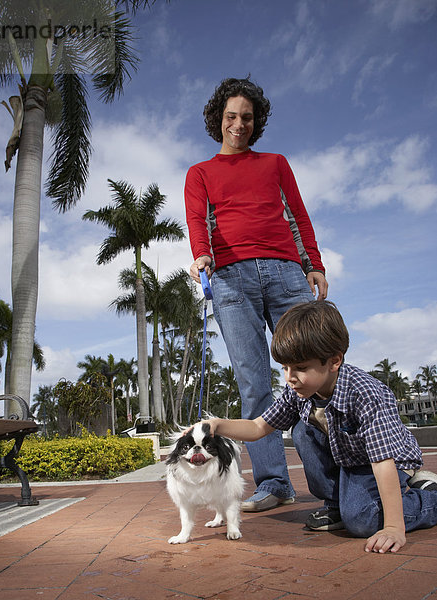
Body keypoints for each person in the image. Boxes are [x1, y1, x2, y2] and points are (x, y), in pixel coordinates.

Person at [184, 77, 328, 512]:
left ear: (256, 121)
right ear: (218, 119)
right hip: (230, 278)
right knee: (253, 380)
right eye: (231, 117)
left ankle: (337, 477)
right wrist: (201, 256)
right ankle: (274, 484)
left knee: (316, 373)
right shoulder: (201, 173)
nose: (239, 125)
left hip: (286, 272)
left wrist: (314, 264)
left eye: (247, 117)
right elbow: (196, 221)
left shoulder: (276, 163)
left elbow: (298, 215)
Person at [199, 300, 437, 554]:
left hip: (388, 462)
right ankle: (335, 505)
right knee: (302, 430)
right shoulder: (299, 391)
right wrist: (216, 425)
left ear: (334, 361)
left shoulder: (366, 394)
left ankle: (429, 496)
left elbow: (382, 463)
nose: (290, 377)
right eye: (285, 367)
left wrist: (393, 527)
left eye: (300, 368)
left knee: (362, 520)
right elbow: (258, 427)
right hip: (349, 459)